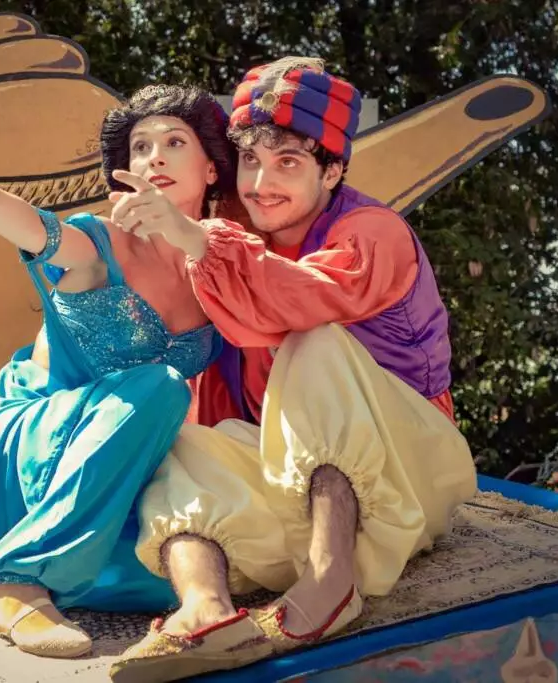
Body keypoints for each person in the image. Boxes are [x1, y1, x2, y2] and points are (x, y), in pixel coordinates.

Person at [105, 57, 478, 681]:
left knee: (315, 343)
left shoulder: (373, 232)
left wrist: (197, 239)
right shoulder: (237, 234)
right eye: (250, 160)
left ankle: (331, 584)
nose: (261, 182)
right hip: (297, 490)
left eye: (288, 163)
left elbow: (298, 299)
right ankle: (204, 613)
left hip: (409, 478)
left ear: (332, 170)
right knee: (183, 443)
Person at [0, 84, 240, 660]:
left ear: (211, 169)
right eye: (140, 147)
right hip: (36, 446)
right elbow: (33, 228)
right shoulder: (97, 241)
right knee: (161, 385)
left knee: (192, 573)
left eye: (173, 143)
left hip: (117, 474)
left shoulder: (222, 262)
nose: (153, 158)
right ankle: (21, 584)